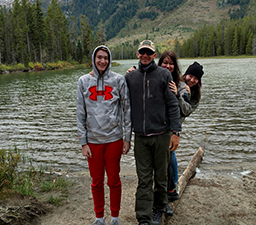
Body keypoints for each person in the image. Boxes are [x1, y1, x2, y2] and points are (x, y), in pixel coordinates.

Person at [125, 40, 181, 225]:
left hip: (162, 135)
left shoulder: (164, 75)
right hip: (141, 137)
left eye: (149, 52)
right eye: (142, 51)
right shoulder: (130, 78)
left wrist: (175, 132)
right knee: (144, 179)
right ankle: (143, 217)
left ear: (154, 55)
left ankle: (158, 209)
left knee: (161, 176)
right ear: (137, 53)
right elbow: (122, 105)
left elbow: (173, 105)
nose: (145, 55)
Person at [77, 45, 132, 225]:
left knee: (114, 180)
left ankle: (114, 217)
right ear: (94, 59)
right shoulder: (83, 81)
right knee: (96, 181)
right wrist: (83, 142)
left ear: (109, 60)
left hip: (114, 139)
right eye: (99, 57)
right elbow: (80, 113)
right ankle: (99, 218)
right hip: (92, 141)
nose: (102, 61)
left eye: (106, 58)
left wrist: (127, 138)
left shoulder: (119, 80)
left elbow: (126, 110)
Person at [166, 60, 204, 202]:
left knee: (171, 154)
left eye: (195, 78)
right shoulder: (175, 81)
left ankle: (174, 185)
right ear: (185, 74)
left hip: (175, 126)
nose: (191, 80)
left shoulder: (195, 96)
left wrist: (182, 96)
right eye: (190, 76)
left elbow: (186, 112)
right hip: (163, 123)